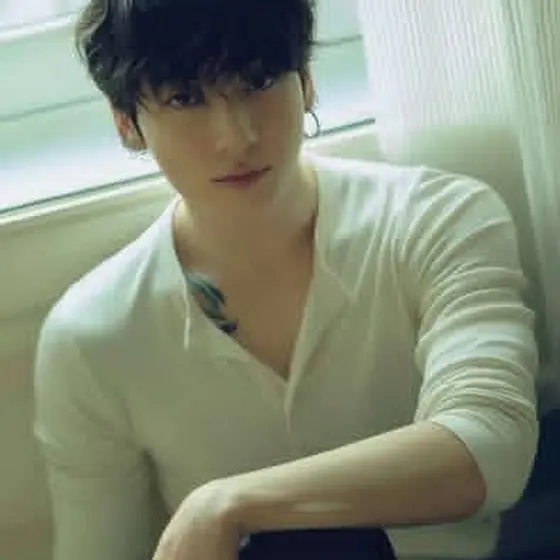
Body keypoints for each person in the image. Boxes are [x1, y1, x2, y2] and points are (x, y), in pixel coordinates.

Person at [33, 0, 540, 559]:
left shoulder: (435, 220)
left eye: (258, 81)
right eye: (185, 98)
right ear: (126, 122)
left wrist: (226, 505)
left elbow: (491, 445)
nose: (236, 137)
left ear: (306, 81)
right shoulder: (92, 335)